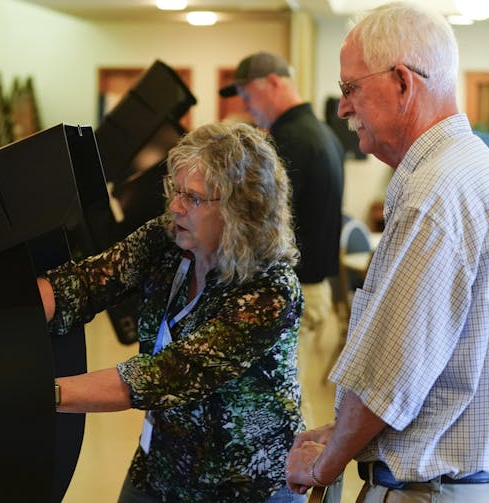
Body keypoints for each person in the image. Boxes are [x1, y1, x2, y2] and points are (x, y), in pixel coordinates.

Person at [284, 3, 489, 502]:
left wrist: (325, 464)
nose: (342, 108)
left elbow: (388, 379)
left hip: (430, 491)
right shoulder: (467, 168)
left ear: (402, 83)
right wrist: (342, 435)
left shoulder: (435, 191)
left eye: (350, 88)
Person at [37, 121, 306, 502]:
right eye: (175, 191)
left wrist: (42, 394)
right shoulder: (168, 239)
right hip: (164, 461)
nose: (175, 207)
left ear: (240, 211)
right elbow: (84, 284)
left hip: (242, 483)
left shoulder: (270, 290)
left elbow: (166, 375)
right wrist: (5, 317)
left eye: (193, 198)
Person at [220, 52, 345, 397]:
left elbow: (261, 222)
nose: (247, 107)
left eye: (248, 95)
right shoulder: (322, 133)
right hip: (314, 287)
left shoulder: (288, 141)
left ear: (274, 82)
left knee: (283, 408)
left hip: (294, 291)